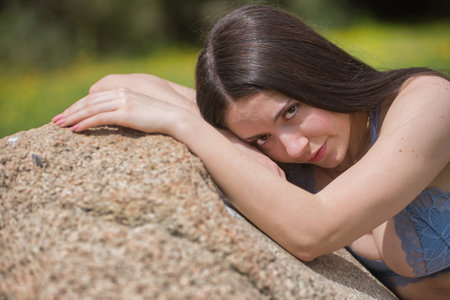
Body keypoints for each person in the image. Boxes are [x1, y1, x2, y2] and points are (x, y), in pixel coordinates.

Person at [52, 5, 449, 299]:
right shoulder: (272, 137)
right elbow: (113, 85)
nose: (292, 147)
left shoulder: (429, 103)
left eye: (291, 111)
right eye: (262, 138)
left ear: (316, 70)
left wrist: (188, 126)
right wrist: (236, 145)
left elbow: (313, 231)